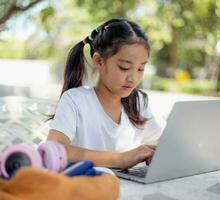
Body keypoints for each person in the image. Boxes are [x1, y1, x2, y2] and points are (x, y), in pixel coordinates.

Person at [48, 18, 166, 169]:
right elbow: (54, 150)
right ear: (99, 61)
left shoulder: (139, 102)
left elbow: (166, 140)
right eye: (124, 67)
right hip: (87, 187)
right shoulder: (75, 100)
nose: (133, 78)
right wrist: (120, 159)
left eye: (141, 69)